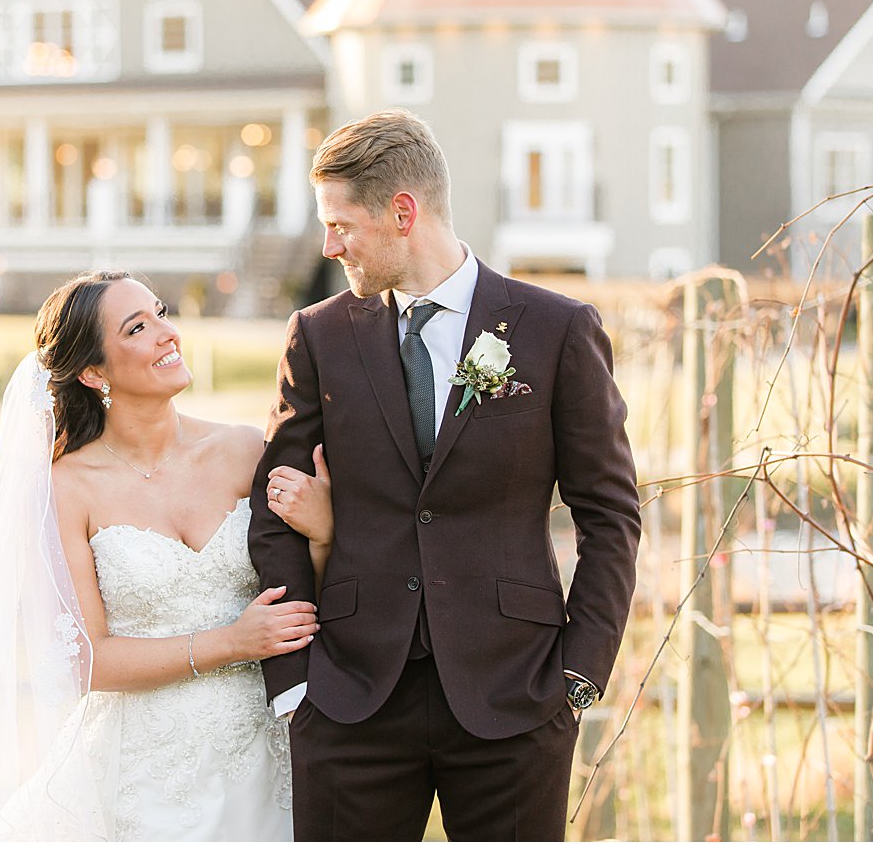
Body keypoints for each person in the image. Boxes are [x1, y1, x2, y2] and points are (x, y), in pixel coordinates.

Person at [249, 109, 642, 841]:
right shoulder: (320, 335)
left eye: (342, 225)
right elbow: (271, 506)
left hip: (516, 696)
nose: (329, 245)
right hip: (350, 698)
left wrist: (578, 672)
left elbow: (610, 511)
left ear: (403, 212)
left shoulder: (554, 329)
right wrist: (297, 681)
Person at [0, 270, 326, 841]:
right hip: (139, 771)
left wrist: (325, 533)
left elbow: (311, 588)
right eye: (139, 327)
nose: (169, 334)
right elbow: (86, 661)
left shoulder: (243, 451)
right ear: (93, 372)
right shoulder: (68, 488)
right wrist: (233, 643)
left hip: (264, 751)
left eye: (162, 313)